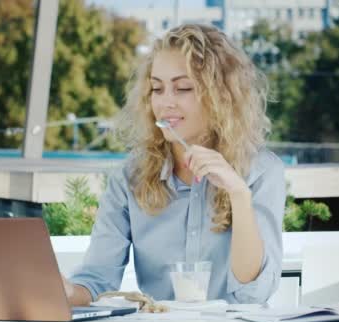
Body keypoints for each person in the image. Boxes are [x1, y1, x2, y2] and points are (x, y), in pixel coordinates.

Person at [63, 24, 286, 306]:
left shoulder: (262, 172)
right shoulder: (131, 177)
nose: (166, 102)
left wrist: (239, 195)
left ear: (221, 96)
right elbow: (98, 279)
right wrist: (65, 292)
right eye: (157, 88)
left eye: (183, 88)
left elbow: (252, 293)